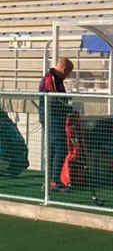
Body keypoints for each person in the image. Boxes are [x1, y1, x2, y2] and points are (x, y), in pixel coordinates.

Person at [38, 57, 75, 191]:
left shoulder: (55, 79)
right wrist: (67, 108)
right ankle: (53, 181)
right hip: (52, 118)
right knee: (59, 148)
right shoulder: (50, 79)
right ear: (64, 70)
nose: (67, 76)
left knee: (54, 149)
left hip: (54, 118)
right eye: (68, 73)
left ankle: (50, 181)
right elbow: (53, 101)